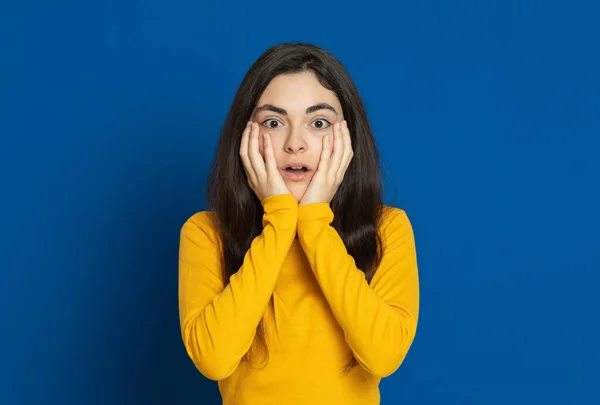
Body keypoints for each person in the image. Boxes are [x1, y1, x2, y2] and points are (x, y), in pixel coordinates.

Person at [178, 42, 420, 405]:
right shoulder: (205, 233)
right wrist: (279, 217)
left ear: (347, 137)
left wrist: (313, 222)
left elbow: (384, 355)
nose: (295, 144)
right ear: (245, 136)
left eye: (318, 122)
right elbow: (213, 359)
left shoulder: (388, 228)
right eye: (273, 122)